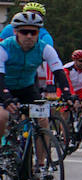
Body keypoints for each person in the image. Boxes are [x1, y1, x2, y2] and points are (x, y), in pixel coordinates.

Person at [0, 10, 73, 167]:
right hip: (3, 87)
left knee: (42, 120)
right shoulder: (5, 47)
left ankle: (40, 165)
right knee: (2, 117)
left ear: (38, 33)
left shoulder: (44, 48)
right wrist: (6, 98)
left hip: (26, 88)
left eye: (33, 32)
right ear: (15, 32)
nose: (29, 36)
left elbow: (59, 72)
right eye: (24, 32)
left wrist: (68, 94)